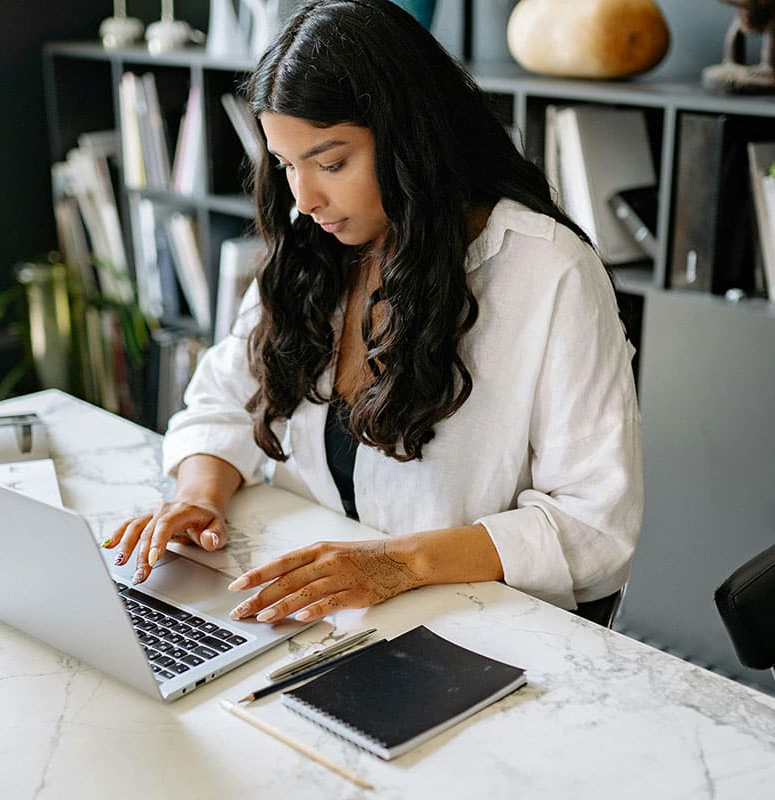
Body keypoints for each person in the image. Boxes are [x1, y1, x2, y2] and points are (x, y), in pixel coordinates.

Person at [103, 0, 642, 625]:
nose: (304, 199)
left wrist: (398, 564)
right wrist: (199, 495)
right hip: (324, 612)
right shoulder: (315, 248)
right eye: (286, 165)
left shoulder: (549, 273)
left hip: (475, 627)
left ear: (412, 140)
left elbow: (594, 524)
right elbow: (226, 396)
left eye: (331, 163)